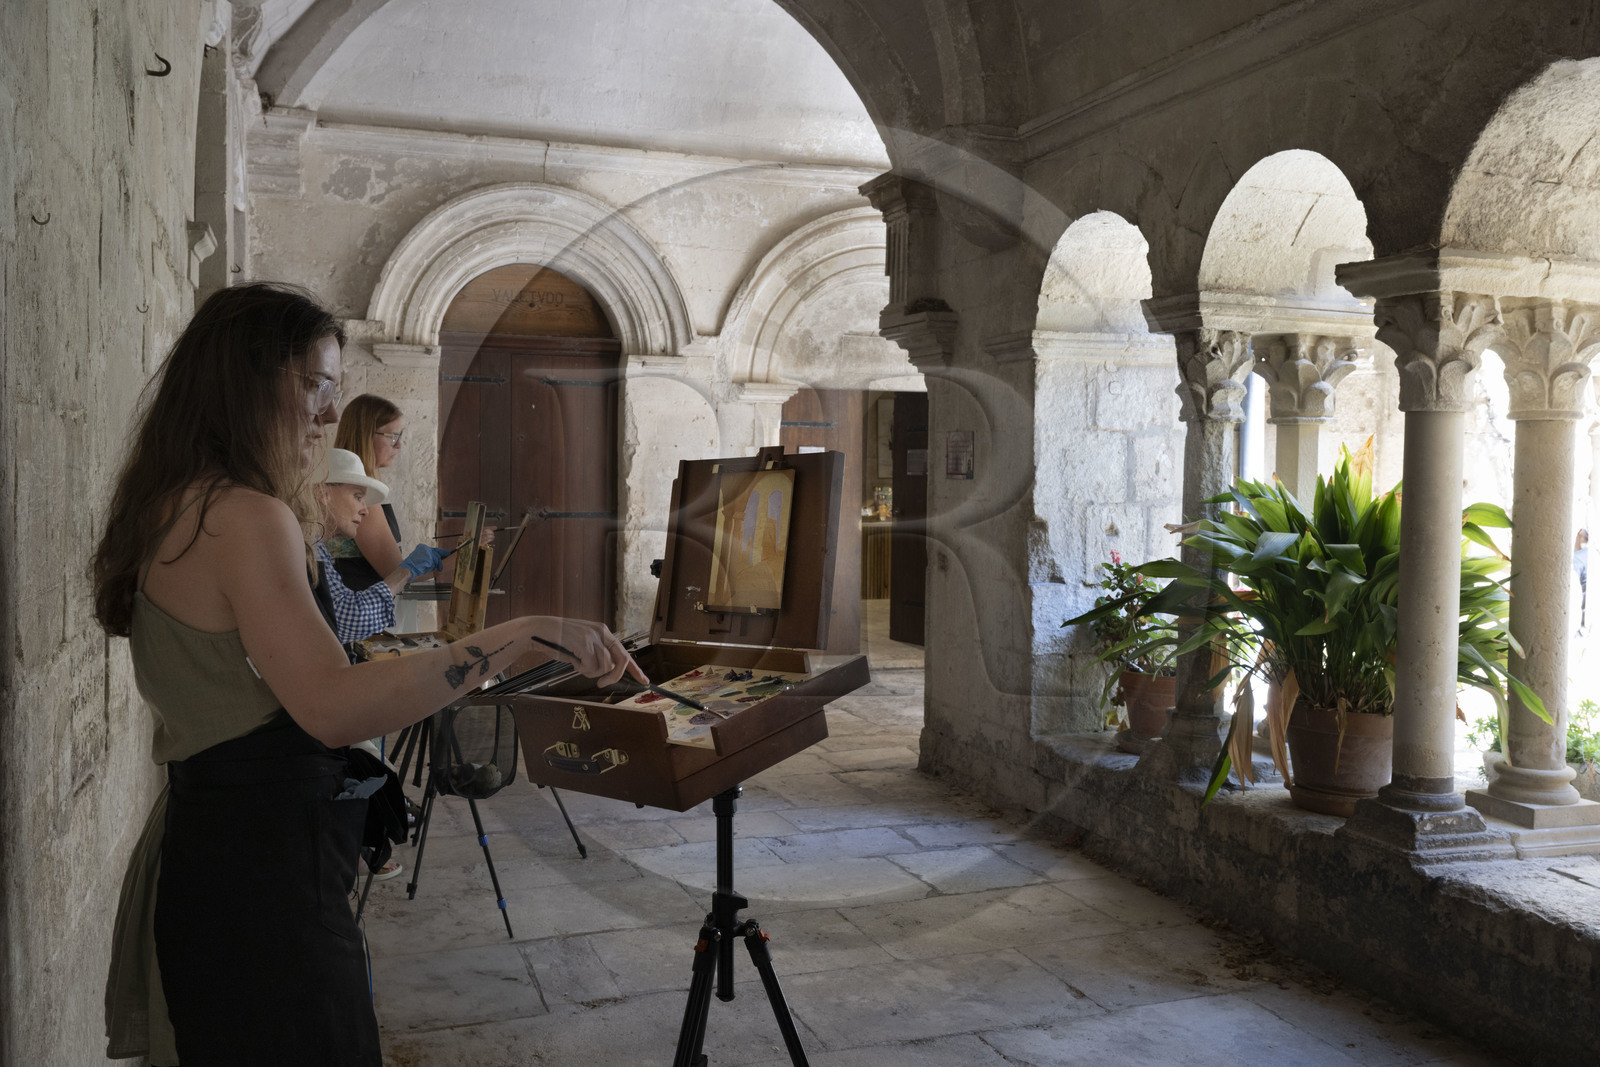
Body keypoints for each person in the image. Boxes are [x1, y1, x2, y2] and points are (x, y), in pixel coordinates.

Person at [92, 282, 643, 1066]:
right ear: (250, 379)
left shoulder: (179, 501)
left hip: (216, 849)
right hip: (261, 878)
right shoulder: (245, 516)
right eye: (316, 385)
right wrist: (517, 636)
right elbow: (331, 704)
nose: (326, 412)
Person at [329, 394, 408, 591]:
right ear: (365, 434)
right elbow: (395, 572)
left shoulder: (359, 494)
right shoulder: (354, 499)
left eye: (400, 436)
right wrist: (455, 559)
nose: (399, 445)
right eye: (393, 437)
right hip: (356, 612)